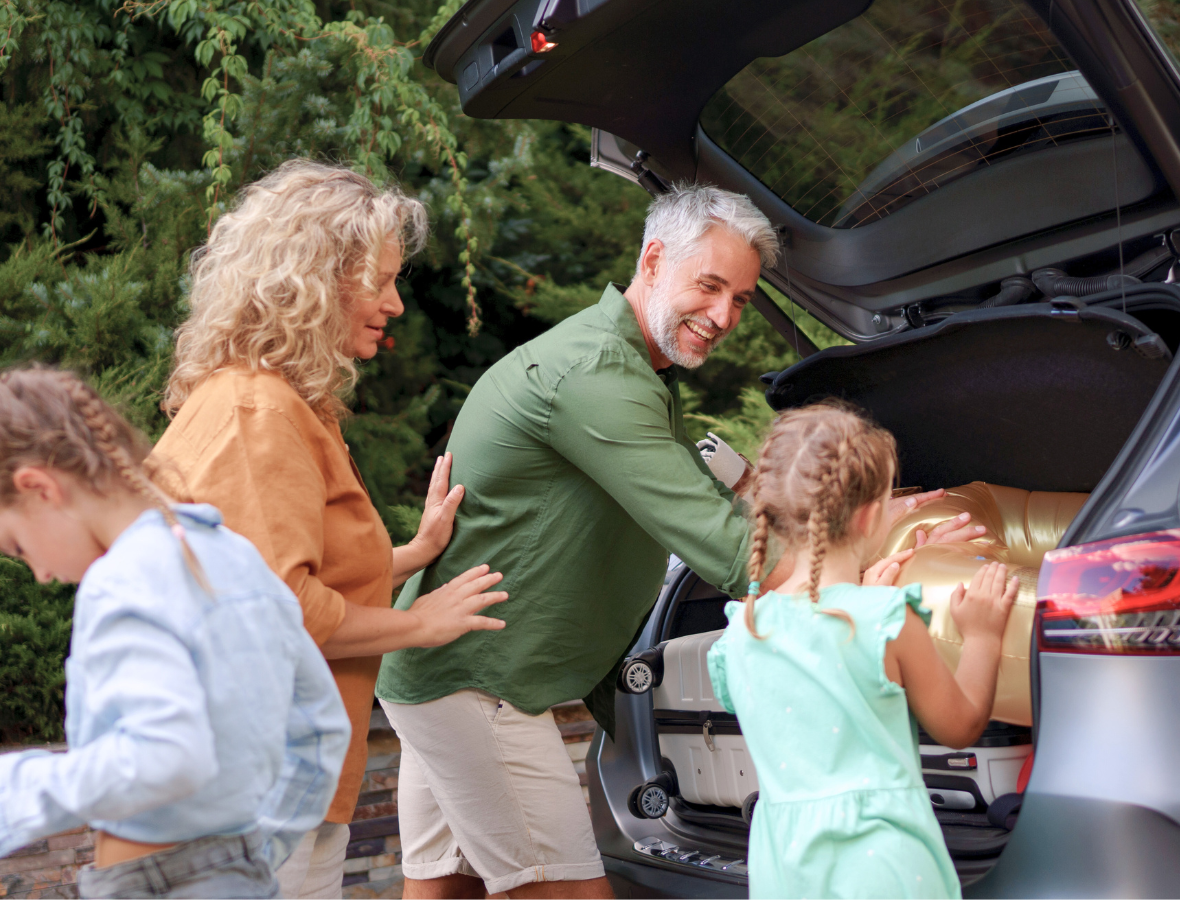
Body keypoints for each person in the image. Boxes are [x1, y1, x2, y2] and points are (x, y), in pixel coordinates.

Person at [375, 184, 983, 899]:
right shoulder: (598, 376)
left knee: (445, 891)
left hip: (441, 677)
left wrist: (875, 504)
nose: (723, 315)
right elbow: (724, 545)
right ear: (654, 259)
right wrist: (874, 565)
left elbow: (729, 498)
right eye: (710, 286)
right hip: (483, 686)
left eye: (742, 299)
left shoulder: (629, 369)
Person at [147, 160, 507, 898]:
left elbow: (286, 571)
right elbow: (276, 607)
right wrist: (420, 625)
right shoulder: (257, 412)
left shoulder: (277, 403)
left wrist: (413, 554)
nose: (397, 304)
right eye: (380, 281)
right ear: (312, 281)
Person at [0, 367, 351, 899]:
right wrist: (251, 859)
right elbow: (322, 731)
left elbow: (166, 755)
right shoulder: (236, 556)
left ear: (39, 487)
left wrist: (17, 787)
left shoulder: (120, 580)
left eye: (19, 548)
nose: (41, 574)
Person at [706, 402, 1020, 899]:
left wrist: (863, 586)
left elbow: (811, 656)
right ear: (874, 514)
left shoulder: (739, 633)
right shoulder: (886, 620)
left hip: (783, 868)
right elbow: (960, 727)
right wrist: (981, 635)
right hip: (884, 867)